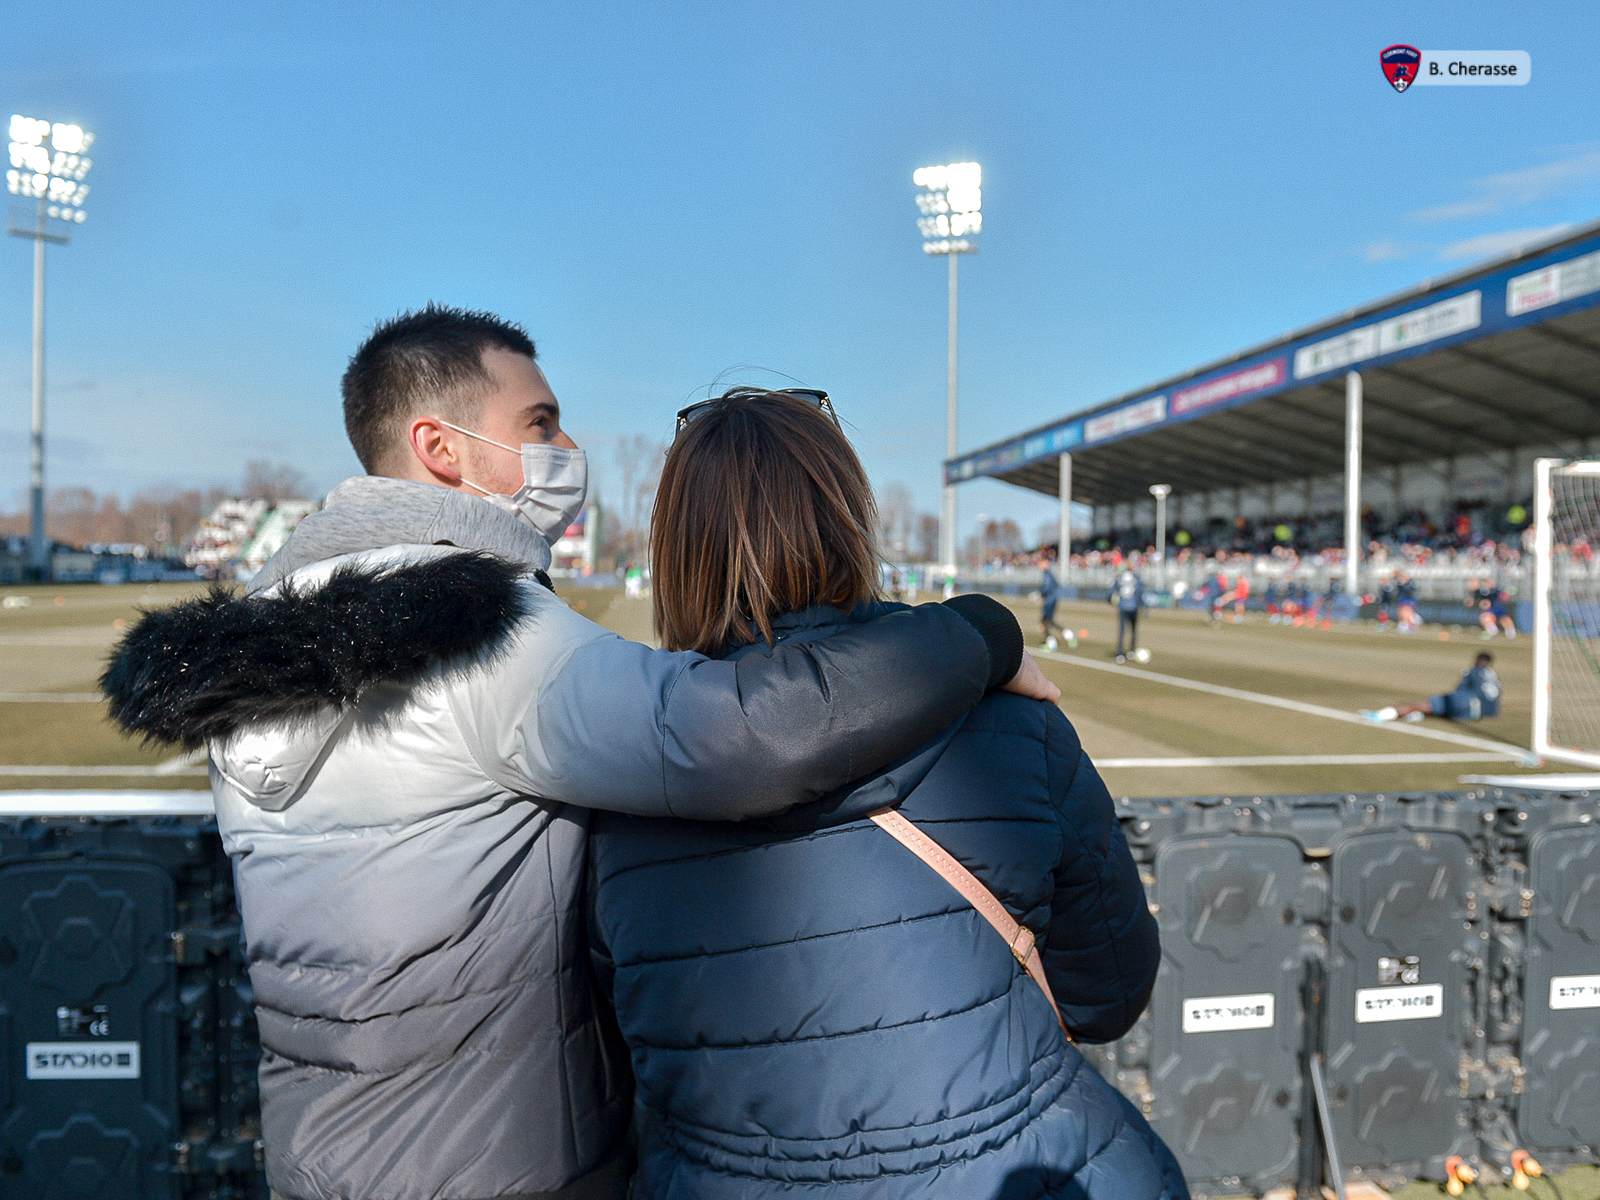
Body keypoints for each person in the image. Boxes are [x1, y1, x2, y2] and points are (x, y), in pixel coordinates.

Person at [101, 308, 1051, 1200]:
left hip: (323, 1151)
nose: (567, 451)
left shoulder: (260, 641)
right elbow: (740, 734)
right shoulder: (480, 631)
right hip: (500, 1164)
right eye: (541, 422)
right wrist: (978, 638)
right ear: (438, 447)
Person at [587, 390, 1186, 1200]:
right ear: (848, 520)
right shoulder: (1014, 730)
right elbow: (1110, 994)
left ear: (681, 552)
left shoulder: (613, 787)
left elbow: (613, 1059)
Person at [1361, 653, 1502, 723]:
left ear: (1478, 660)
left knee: (1424, 704)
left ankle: (1380, 716)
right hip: (1479, 713)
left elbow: (1458, 690)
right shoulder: (1495, 676)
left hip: (1464, 703)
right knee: (1440, 710)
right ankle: (1419, 714)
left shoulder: (1472, 671)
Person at [1040, 559, 1076, 650]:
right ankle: (1069, 635)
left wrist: (1043, 595)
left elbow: (1046, 587)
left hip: (1049, 600)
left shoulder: (1047, 575)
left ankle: (1052, 644)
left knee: (1045, 622)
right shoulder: (1050, 574)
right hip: (1053, 599)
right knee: (1050, 621)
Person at [1112, 566, 1146, 661]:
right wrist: (1144, 608)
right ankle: (1131, 652)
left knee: (1122, 631)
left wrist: (1110, 600)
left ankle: (1120, 654)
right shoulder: (1136, 580)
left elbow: (1111, 593)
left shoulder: (1119, 580)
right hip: (1134, 608)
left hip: (1123, 607)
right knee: (1134, 630)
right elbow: (1140, 594)